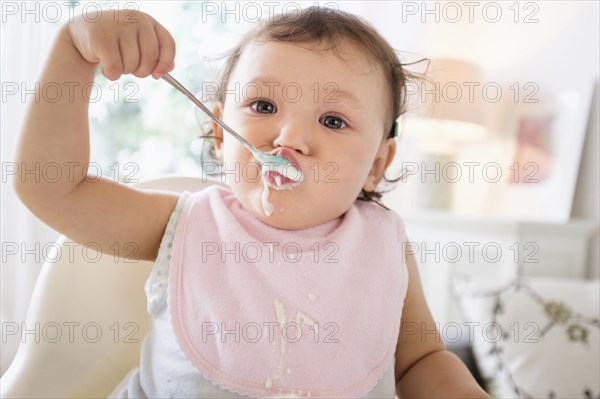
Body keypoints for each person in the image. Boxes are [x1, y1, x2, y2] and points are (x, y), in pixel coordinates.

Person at [14, 5, 490, 398]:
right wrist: (72, 52)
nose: (290, 137)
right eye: (264, 106)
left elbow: (421, 362)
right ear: (220, 133)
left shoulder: (384, 244)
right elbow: (51, 186)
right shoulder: (184, 225)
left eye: (333, 120)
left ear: (376, 163)